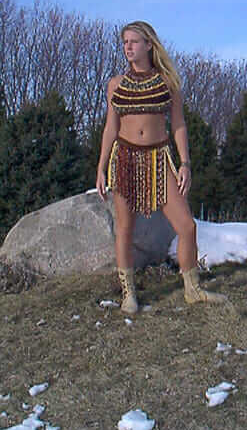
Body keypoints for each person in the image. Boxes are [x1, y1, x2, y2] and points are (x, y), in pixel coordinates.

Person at [96, 21, 227, 313]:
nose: (128, 47)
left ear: (149, 45)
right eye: (125, 42)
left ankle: (192, 289)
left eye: (134, 41)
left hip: (159, 159)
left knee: (187, 226)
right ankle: (128, 293)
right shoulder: (115, 85)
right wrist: (102, 167)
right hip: (126, 160)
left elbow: (178, 124)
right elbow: (110, 128)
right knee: (125, 230)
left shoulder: (168, 82)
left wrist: (185, 163)